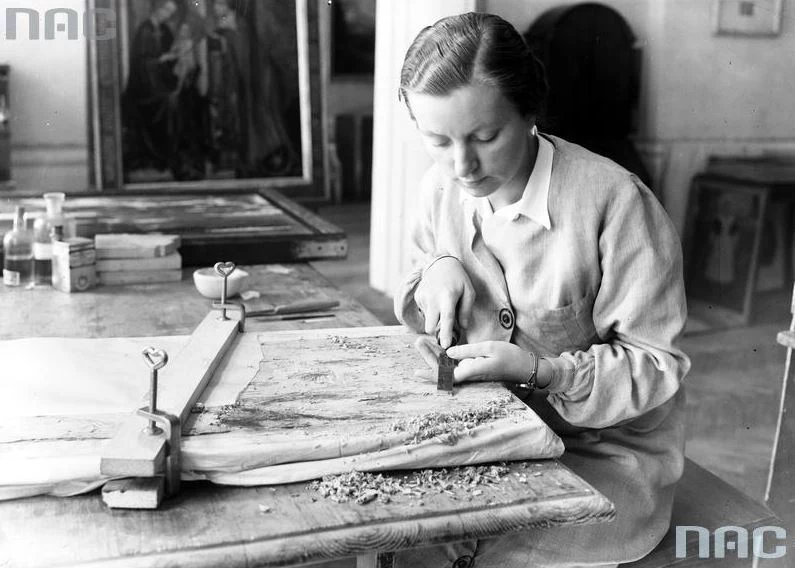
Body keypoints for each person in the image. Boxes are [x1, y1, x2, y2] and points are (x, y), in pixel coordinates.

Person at [393, 13, 690, 568]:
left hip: (602, 454)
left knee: (486, 550)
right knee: (398, 531)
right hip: (490, 434)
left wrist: (543, 373)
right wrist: (435, 268)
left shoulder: (617, 204)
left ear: (531, 113)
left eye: (486, 136)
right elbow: (418, 302)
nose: (463, 165)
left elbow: (656, 364)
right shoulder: (440, 189)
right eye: (438, 141)